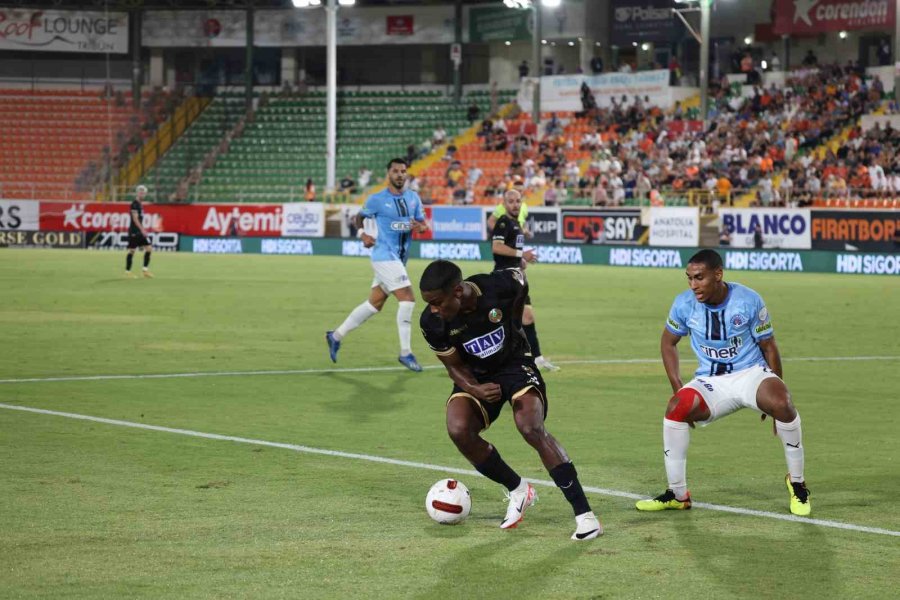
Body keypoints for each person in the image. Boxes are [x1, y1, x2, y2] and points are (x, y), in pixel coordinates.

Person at [419, 260, 602, 540]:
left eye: (436, 302)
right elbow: (453, 366)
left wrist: (515, 324)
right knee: (458, 429)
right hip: (476, 376)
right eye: (429, 303)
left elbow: (521, 279)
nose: (433, 309)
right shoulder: (432, 322)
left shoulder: (496, 287)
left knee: (530, 427)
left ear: (457, 291)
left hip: (515, 365)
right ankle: (518, 490)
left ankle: (585, 516)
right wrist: (474, 389)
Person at [635, 249, 810, 516]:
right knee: (675, 408)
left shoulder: (748, 300)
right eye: (689, 278)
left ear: (718, 274)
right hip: (711, 382)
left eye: (700, 278)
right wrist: (677, 386)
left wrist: (776, 390)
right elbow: (667, 342)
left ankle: (797, 484)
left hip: (751, 374)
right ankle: (677, 494)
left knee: (783, 403)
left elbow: (769, 346)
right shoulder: (684, 304)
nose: (693, 285)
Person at [326, 158, 429, 372]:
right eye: (395, 171)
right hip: (383, 256)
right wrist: (362, 234)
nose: (400, 174)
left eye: (403, 171)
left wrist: (420, 227)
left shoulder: (413, 198)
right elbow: (358, 218)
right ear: (388, 174)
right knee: (408, 299)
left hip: (399, 259)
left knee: (374, 304)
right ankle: (405, 353)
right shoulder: (377, 199)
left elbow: (423, 224)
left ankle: (335, 336)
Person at [486, 191, 560, 372]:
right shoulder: (503, 222)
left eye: (518, 201)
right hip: (503, 279)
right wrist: (521, 255)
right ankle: (482, 355)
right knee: (496, 319)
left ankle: (537, 359)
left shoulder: (517, 224)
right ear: (504, 203)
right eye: (511, 201)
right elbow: (496, 248)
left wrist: (521, 261)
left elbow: (511, 252)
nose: (515, 204)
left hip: (516, 277)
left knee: (527, 317)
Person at [125, 185, 153, 278]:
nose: (142, 194)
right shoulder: (134, 204)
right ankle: (127, 272)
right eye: (141, 192)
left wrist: (142, 230)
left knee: (149, 248)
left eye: (144, 192)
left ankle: (145, 270)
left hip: (140, 232)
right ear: (137, 193)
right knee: (132, 251)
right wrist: (143, 230)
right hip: (134, 231)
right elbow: (135, 219)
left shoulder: (140, 205)